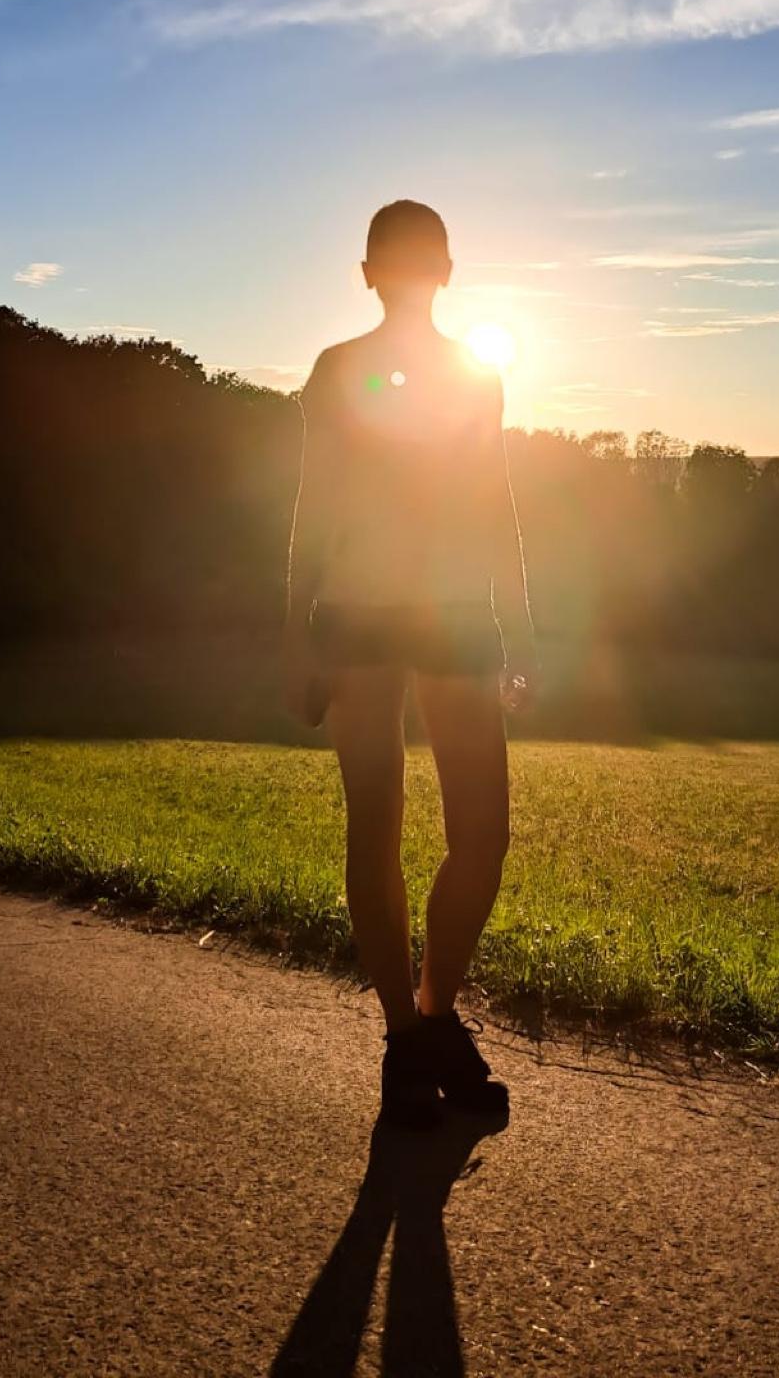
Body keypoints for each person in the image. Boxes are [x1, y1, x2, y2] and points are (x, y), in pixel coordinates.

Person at [283, 200, 540, 1128]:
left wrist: (520, 628)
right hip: (362, 614)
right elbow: (316, 508)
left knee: (477, 837)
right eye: (403, 261)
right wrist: (297, 637)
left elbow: (495, 499)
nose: (408, 274)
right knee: (383, 830)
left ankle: (428, 1020)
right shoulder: (339, 369)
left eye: (414, 260)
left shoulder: (475, 375)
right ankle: (409, 1038)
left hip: (452, 615)